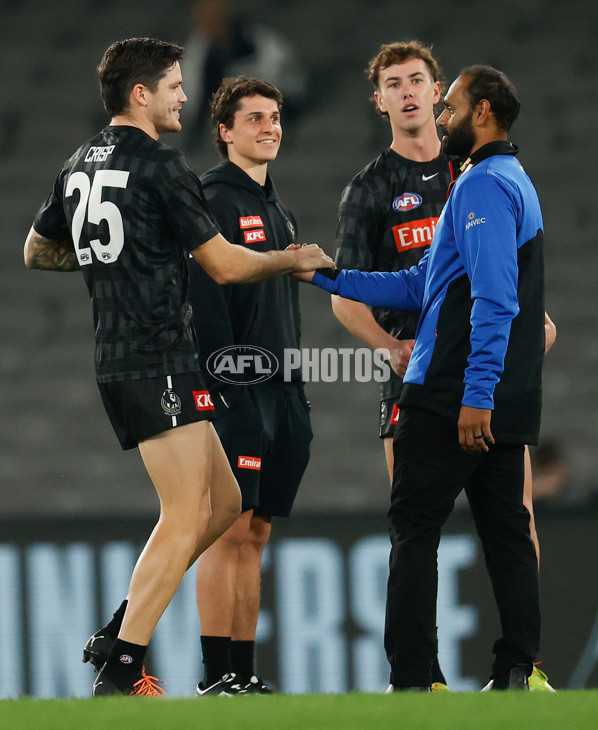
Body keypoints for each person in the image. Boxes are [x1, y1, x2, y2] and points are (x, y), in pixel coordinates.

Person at [23, 37, 333, 698]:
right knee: (187, 511)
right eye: (173, 86)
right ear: (142, 93)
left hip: (132, 353)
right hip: (154, 354)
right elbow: (222, 266)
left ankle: (120, 629)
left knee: (223, 503)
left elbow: (36, 251)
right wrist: (290, 259)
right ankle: (122, 667)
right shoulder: (162, 166)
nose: (183, 97)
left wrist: (114, 257)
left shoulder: (77, 162)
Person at [303, 65, 545, 691]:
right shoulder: (502, 180)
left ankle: (413, 679)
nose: (441, 117)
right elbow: (420, 285)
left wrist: (475, 396)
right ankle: (518, 668)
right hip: (493, 394)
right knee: (507, 530)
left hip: (452, 395)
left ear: (483, 112)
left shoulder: (483, 186)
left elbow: (494, 300)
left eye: (452, 107)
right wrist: (326, 275)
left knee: (414, 530)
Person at [183, 75, 313, 696]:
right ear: (226, 131)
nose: (270, 128)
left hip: (285, 390)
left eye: (275, 117)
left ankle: (243, 672)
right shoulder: (213, 199)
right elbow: (206, 309)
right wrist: (223, 389)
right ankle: (216, 677)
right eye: (254, 118)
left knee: (257, 532)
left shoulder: (279, 208)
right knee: (229, 530)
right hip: (238, 392)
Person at [332, 39, 451, 691]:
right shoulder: (371, 189)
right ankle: (418, 674)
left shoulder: (472, 170)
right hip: (411, 378)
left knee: (509, 515)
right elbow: (346, 291)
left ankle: (521, 664)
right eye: (394, 83)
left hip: (482, 369)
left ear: (437, 90)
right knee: (416, 528)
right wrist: (388, 346)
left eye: (417, 79)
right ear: (378, 101)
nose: (407, 91)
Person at [181, 0, 307, 151]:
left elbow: (284, 81)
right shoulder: (199, 50)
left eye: (215, 17)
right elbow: (192, 91)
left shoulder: (259, 42)